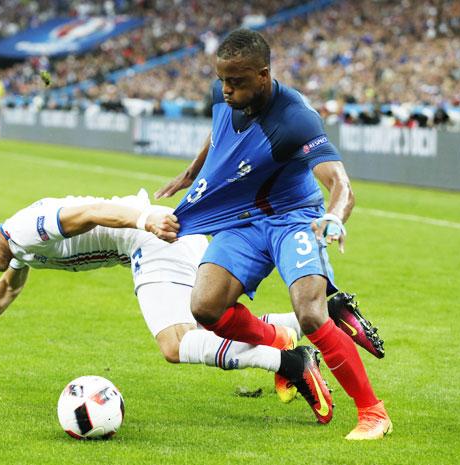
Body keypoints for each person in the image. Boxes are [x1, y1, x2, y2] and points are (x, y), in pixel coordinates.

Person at [155, 29, 391, 440]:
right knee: (206, 309)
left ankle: (373, 413)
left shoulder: (296, 119)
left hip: (294, 218)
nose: (226, 89)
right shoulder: (224, 92)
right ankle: (279, 341)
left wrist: (334, 218)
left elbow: (341, 183)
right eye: (223, 80)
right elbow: (218, 132)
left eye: (237, 82)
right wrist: (192, 173)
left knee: (310, 312)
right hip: (244, 219)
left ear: (263, 75)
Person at [0, 189, 349, 420]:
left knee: (175, 343)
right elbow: (9, 288)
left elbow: (90, 211)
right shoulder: (17, 249)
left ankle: (291, 363)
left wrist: (142, 220)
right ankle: (322, 317)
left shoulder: (24, 229)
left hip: (149, 236)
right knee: (205, 328)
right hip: (155, 234)